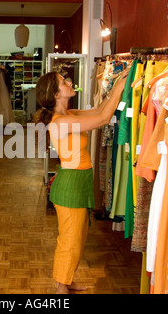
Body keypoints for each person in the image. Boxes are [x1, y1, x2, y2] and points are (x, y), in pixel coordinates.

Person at [34, 71, 128, 294]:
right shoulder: (62, 122)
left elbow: (98, 111)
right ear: (56, 94)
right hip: (71, 184)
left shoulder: (70, 114)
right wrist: (122, 85)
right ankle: (60, 289)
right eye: (63, 82)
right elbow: (103, 119)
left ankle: (66, 280)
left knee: (79, 237)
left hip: (80, 181)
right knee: (70, 239)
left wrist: (115, 85)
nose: (69, 82)